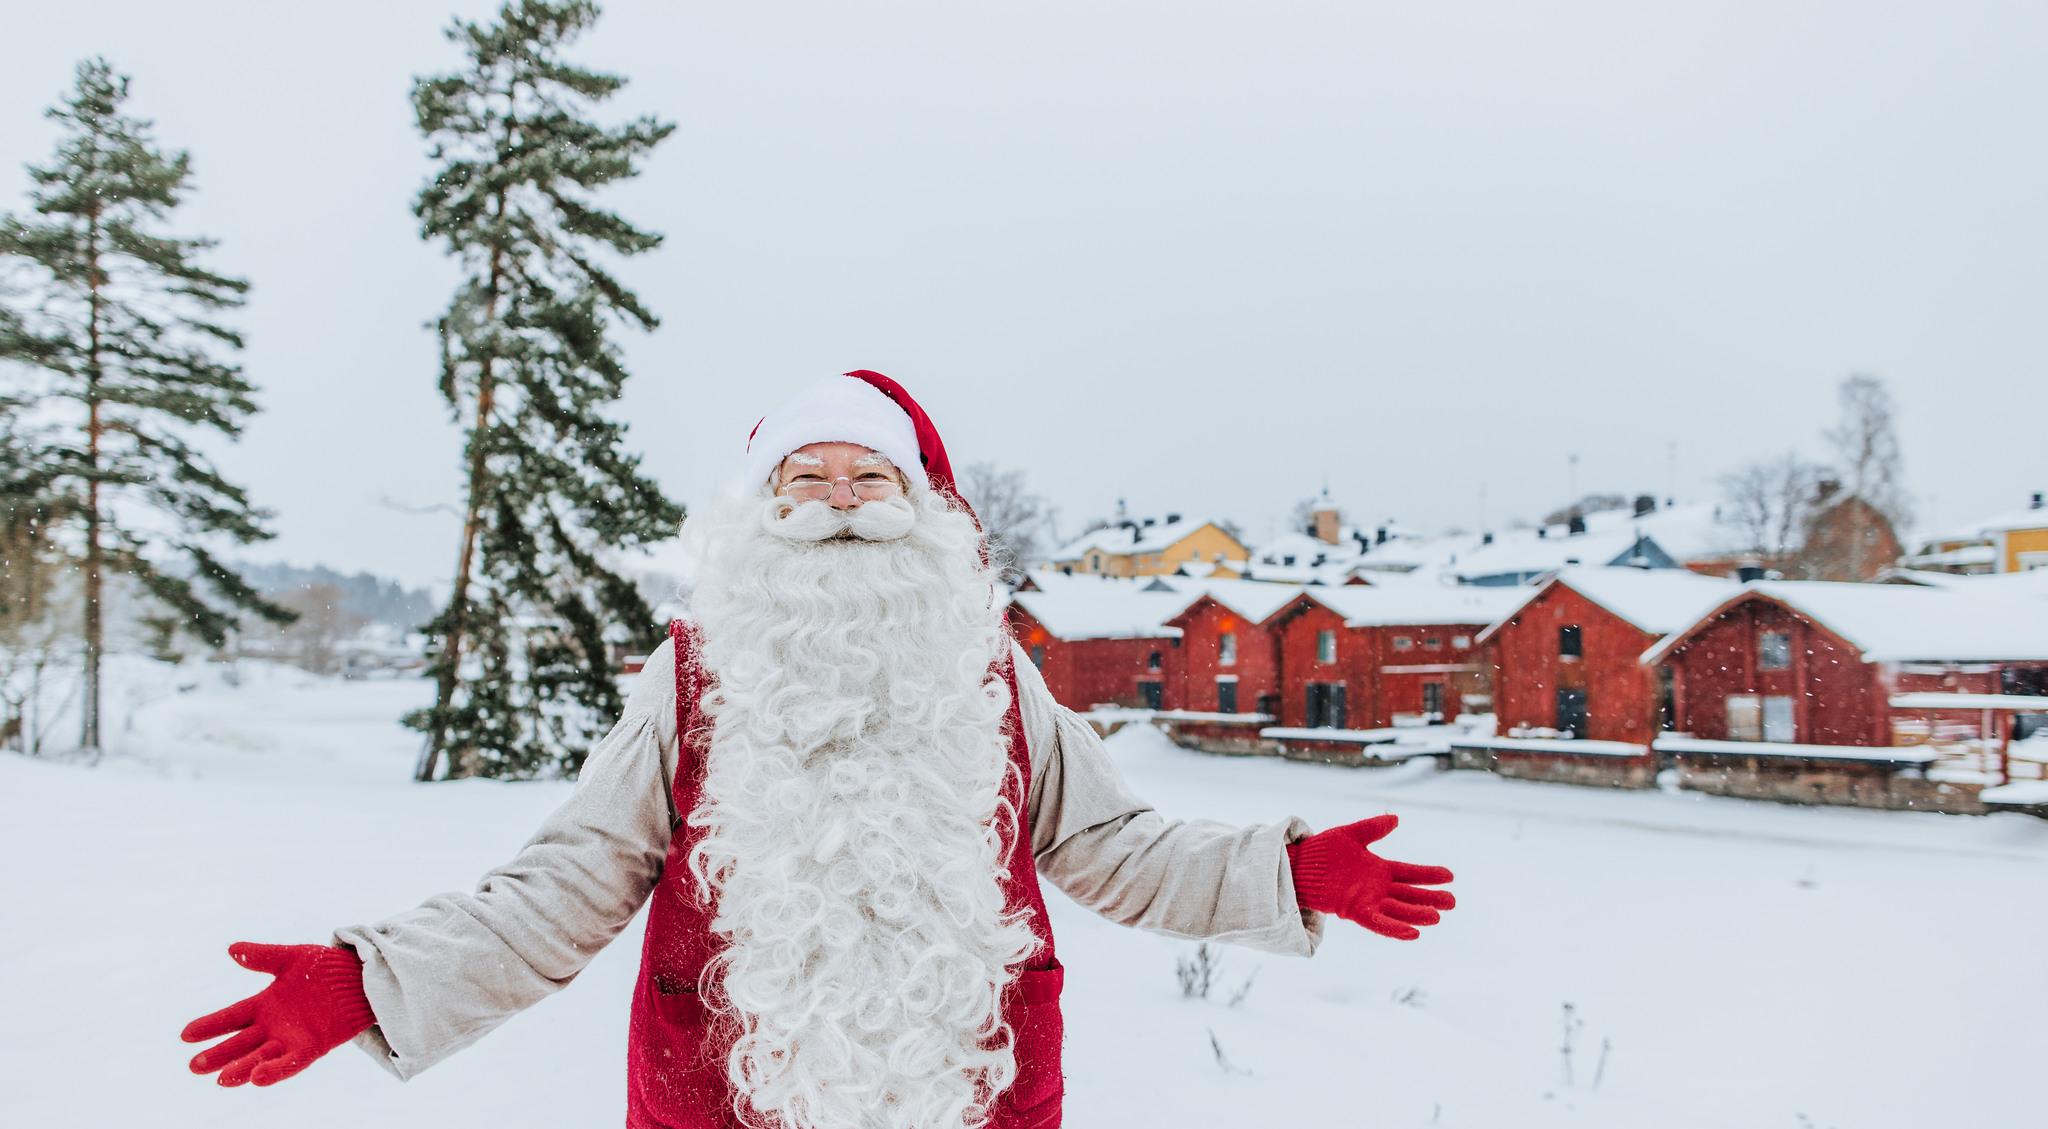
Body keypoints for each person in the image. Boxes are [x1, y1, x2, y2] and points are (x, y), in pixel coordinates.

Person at [181, 371, 1457, 1129]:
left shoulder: (990, 669)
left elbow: (1107, 843)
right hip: (723, 1091)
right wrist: (378, 979)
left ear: (920, 508)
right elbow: (572, 878)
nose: (840, 501)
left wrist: (1281, 877)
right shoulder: (690, 676)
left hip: (972, 1079)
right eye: (808, 477)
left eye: (870, 477)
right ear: (762, 507)